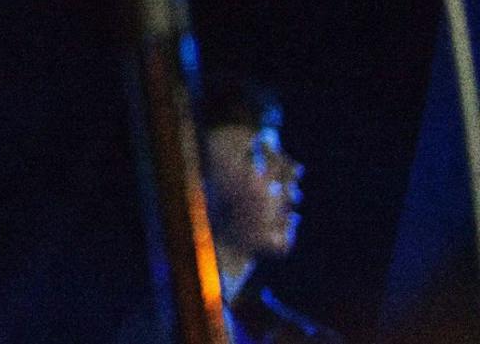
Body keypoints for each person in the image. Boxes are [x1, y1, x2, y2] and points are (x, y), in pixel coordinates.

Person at [118, 72, 339, 344]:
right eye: (258, 154)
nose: (291, 170)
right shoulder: (148, 324)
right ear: (194, 181)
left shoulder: (297, 336)